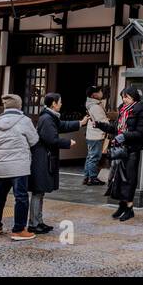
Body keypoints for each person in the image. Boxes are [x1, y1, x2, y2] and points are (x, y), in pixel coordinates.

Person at [28, 93, 86, 234]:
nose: (61, 104)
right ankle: (34, 224)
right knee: (38, 192)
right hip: (42, 159)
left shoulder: (50, 116)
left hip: (44, 158)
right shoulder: (47, 118)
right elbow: (51, 139)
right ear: (53, 103)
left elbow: (62, 125)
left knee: (40, 192)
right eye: (60, 102)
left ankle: (38, 222)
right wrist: (68, 142)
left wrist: (80, 123)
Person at [0, 94, 39, 241]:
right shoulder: (24, 121)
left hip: (2, 164)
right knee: (21, 197)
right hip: (19, 164)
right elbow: (34, 140)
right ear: (19, 105)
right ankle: (18, 229)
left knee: (0, 196)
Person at [97, 87, 143, 222]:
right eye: (123, 97)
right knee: (117, 178)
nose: (124, 100)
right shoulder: (123, 111)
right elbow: (115, 128)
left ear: (134, 98)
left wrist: (123, 136)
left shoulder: (140, 113)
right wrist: (99, 125)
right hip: (119, 149)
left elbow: (140, 133)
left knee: (129, 179)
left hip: (131, 150)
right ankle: (122, 205)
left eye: (127, 97)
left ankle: (129, 209)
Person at [83, 86, 110, 186]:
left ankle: (87, 177)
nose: (101, 93)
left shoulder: (92, 104)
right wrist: (110, 123)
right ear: (94, 95)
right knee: (94, 157)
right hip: (96, 135)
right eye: (99, 91)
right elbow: (102, 121)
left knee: (90, 156)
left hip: (91, 134)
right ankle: (93, 178)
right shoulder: (95, 107)